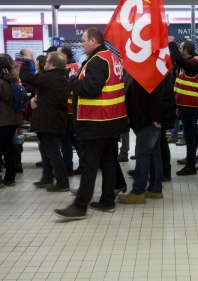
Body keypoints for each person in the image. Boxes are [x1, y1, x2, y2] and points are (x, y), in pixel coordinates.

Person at [54, 28, 128, 219]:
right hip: (112, 119)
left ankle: (79, 206)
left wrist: (72, 81)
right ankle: (107, 200)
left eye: (84, 40)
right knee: (108, 160)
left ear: (93, 41)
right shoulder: (113, 58)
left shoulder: (97, 61)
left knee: (88, 165)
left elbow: (91, 88)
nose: (82, 43)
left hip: (96, 120)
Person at [168, 37, 198, 176]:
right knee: (192, 132)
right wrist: (178, 104)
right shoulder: (188, 63)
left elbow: (179, 61)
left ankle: (191, 166)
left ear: (186, 51)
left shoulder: (194, 64)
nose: (179, 50)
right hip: (184, 104)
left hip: (190, 105)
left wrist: (171, 43)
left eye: (181, 48)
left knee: (189, 136)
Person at [25, 52, 70, 192]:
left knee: (53, 152)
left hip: (49, 121)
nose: (45, 63)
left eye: (47, 61)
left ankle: (62, 182)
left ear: (52, 64)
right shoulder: (60, 77)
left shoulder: (50, 77)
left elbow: (26, 77)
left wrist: (27, 61)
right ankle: (47, 177)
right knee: (46, 150)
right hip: (52, 120)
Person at [118, 74, 164, 204]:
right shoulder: (149, 73)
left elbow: (157, 97)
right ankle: (155, 189)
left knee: (142, 155)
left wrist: (156, 118)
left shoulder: (151, 75)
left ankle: (138, 192)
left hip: (146, 121)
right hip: (145, 119)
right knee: (154, 154)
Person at [0, 54, 23, 188]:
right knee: (8, 148)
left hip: (0, 121)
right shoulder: (11, 80)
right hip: (12, 119)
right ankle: (10, 178)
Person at [58, 46, 83, 175]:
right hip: (75, 109)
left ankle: (67, 168)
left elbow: (64, 90)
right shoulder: (77, 67)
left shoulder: (66, 69)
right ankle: (85, 165)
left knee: (65, 141)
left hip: (66, 110)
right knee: (75, 139)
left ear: (65, 56)